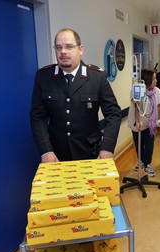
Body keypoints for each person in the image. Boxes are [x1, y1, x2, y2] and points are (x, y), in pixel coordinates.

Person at [30, 28, 121, 162]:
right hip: (56, 155)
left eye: (69, 47)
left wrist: (107, 147)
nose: (63, 52)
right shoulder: (44, 77)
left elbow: (113, 114)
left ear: (80, 49)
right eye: (58, 47)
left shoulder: (97, 77)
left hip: (91, 153)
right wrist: (46, 150)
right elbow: (37, 117)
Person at [128, 69, 160, 177]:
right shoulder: (136, 89)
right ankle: (141, 160)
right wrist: (138, 121)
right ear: (147, 80)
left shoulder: (156, 91)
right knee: (139, 144)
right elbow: (136, 106)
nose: (156, 81)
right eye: (154, 79)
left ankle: (148, 164)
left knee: (149, 145)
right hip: (137, 122)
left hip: (150, 123)